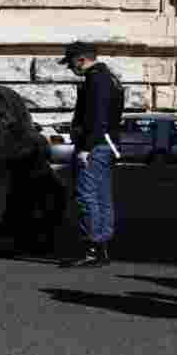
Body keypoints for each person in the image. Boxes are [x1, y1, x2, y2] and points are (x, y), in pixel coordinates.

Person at [59, 41, 124, 268]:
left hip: (95, 145)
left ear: (81, 60)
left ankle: (92, 248)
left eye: (71, 64)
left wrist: (86, 147)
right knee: (102, 196)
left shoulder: (96, 79)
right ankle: (102, 247)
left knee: (86, 196)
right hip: (107, 144)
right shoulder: (110, 77)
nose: (71, 69)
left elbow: (96, 117)